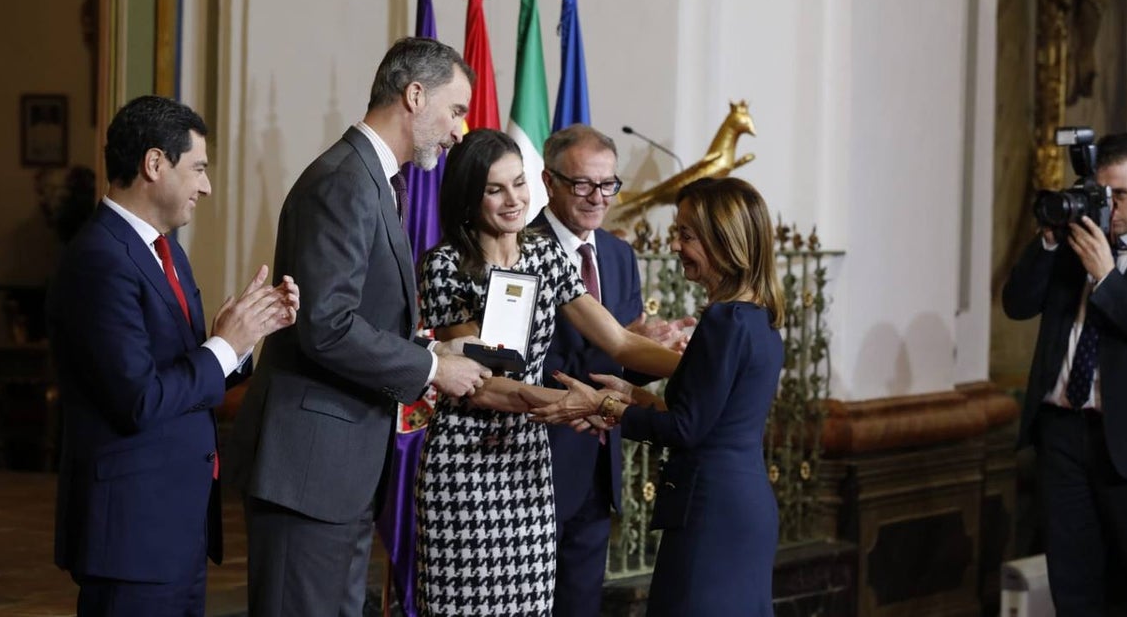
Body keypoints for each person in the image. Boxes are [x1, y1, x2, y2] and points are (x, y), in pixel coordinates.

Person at [227, 37, 492, 617]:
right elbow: (326, 325)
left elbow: (358, 316)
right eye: (455, 110)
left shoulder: (374, 179)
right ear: (415, 95)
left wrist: (439, 347)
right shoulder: (345, 179)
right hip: (308, 470)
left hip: (338, 472)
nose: (459, 132)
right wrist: (432, 368)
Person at [49, 95, 300, 617]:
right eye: (199, 168)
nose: (206, 187)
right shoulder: (99, 259)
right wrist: (223, 345)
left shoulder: (166, 251)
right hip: (131, 537)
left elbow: (185, 375)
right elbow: (139, 400)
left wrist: (245, 335)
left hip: (176, 528)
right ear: (155, 163)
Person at [414, 129, 681, 616]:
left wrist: (701, 366)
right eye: (496, 189)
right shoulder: (445, 265)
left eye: (518, 183)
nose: (514, 199)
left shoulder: (544, 254)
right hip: (466, 463)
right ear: (469, 197)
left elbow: (619, 341)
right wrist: (574, 403)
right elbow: (481, 385)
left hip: (528, 460)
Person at [526, 176, 786, 616]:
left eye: (687, 235)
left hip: (712, 511)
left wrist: (602, 405)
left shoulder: (724, 321)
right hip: (743, 503)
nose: (675, 246)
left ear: (723, 241)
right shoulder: (759, 318)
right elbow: (707, 415)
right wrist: (632, 395)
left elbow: (685, 429)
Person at [531, 124, 693, 616]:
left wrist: (649, 349)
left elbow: (622, 367)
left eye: (608, 184)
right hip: (536, 461)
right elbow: (518, 359)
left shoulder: (620, 255)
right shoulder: (520, 248)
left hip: (600, 465)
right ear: (549, 181)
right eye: (583, 183)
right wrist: (631, 346)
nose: (598, 197)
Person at [1002, 133, 1127, 614]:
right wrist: (1049, 242)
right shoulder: (1074, 244)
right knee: (1073, 587)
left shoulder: (1101, 259)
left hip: (1123, 445)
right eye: (1102, 193)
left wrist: (1108, 278)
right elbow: (1017, 304)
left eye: (1121, 195)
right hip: (1060, 435)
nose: (1109, 207)